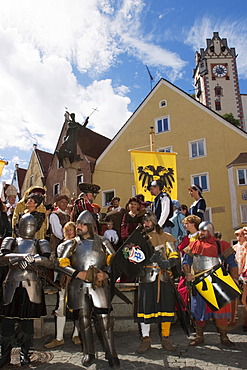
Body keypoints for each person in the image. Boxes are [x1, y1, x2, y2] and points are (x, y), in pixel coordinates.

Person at [55, 210, 119, 368]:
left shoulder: (103, 241)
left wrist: (106, 274)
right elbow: (61, 263)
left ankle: (111, 353)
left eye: (83, 224)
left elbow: (114, 261)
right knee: (83, 320)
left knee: (104, 320)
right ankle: (88, 352)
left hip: (99, 285)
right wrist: (77, 273)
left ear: (91, 226)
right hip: (78, 285)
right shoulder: (71, 243)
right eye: (78, 223)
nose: (79, 226)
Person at [0, 213, 52, 367]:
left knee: (27, 324)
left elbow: (49, 262)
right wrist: (23, 257)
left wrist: (33, 259)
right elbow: (2, 258)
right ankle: (5, 354)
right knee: (7, 322)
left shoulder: (40, 242)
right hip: (12, 284)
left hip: (31, 285)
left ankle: (25, 353)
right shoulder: (11, 240)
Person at [182, 221, 238, 347]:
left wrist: (234, 277)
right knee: (198, 309)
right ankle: (199, 336)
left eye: (204, 231)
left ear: (210, 231)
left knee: (221, 310)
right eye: (200, 231)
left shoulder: (221, 245)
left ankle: (224, 336)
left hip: (217, 281)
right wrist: (187, 273)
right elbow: (186, 262)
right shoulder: (193, 245)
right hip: (199, 282)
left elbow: (232, 262)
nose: (201, 233)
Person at [135, 212, 180, 353]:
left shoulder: (166, 237)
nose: (146, 224)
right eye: (144, 221)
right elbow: (133, 258)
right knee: (145, 309)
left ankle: (166, 338)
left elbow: (174, 255)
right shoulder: (140, 239)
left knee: (166, 308)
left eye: (148, 221)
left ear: (154, 222)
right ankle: (146, 339)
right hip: (146, 277)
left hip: (163, 276)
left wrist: (167, 263)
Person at [44, 221, 81, 349]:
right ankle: (59, 338)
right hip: (64, 279)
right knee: (61, 308)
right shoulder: (62, 244)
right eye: (67, 229)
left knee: (78, 307)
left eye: (72, 229)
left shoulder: (79, 242)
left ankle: (76, 334)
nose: (70, 231)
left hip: (77, 278)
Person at [232, 228, 247, 330]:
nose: (238, 238)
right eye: (237, 236)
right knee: (240, 299)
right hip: (238, 275)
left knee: (244, 299)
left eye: (240, 235)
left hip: (244, 275)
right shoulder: (235, 247)